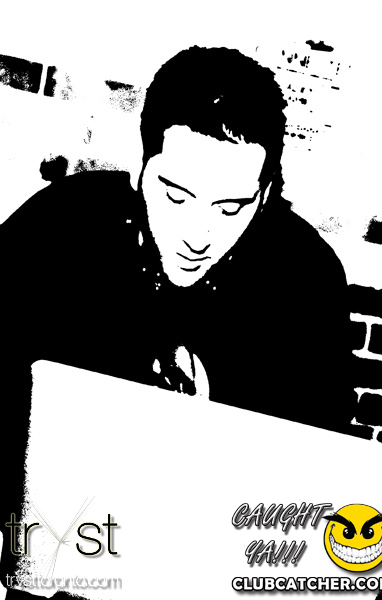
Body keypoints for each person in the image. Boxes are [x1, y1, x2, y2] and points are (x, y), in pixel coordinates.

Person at [0, 45, 359, 597]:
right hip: (53, 558)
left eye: (231, 207)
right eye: (175, 195)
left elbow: (320, 463)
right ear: (140, 167)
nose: (198, 234)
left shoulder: (304, 278)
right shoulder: (59, 227)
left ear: (265, 196)